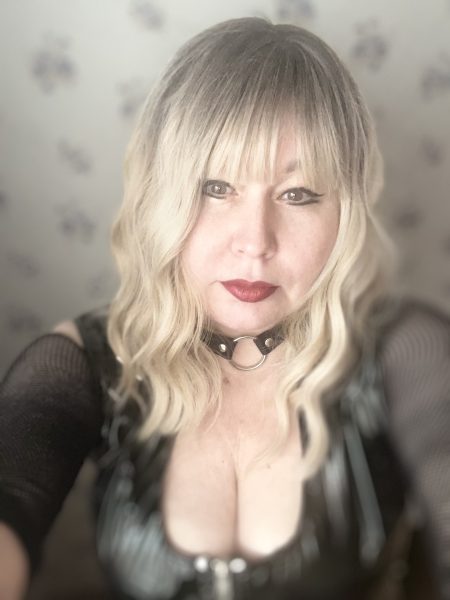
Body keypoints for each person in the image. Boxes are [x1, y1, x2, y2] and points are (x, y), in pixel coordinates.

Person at [0, 16, 449, 600]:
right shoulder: (87, 364)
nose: (254, 242)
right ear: (162, 194)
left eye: (298, 195)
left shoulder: (402, 349)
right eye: (216, 188)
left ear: (345, 212)